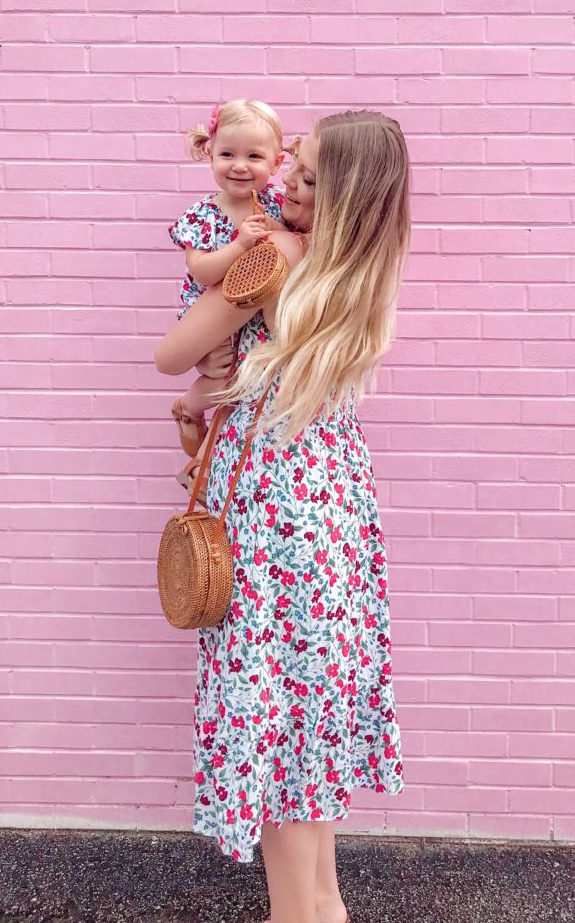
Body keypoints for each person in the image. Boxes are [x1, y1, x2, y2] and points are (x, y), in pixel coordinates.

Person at [154, 110, 410, 923]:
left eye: (302, 179)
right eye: (289, 169)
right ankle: (320, 907)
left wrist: (196, 376)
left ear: (338, 195)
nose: (281, 185)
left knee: (273, 713)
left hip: (272, 501)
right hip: (330, 494)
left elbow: (169, 351)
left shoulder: (276, 253)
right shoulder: (365, 263)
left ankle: (297, 917)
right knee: (308, 710)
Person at [168, 99, 291, 469]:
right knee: (226, 376)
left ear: (276, 163)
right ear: (210, 155)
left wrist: (279, 230)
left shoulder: (277, 205)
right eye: (227, 154)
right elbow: (202, 270)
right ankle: (190, 405)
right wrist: (239, 244)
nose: (239, 166)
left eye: (254, 156)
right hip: (214, 317)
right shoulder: (202, 215)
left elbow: (295, 245)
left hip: (257, 312)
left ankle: (206, 463)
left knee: (249, 386)